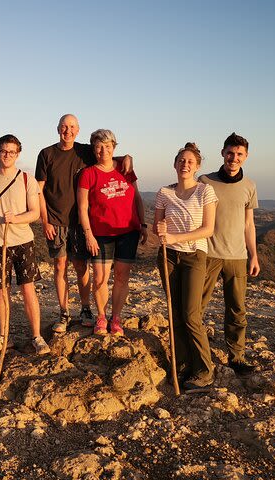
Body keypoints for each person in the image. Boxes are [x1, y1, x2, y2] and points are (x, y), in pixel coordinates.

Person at [35, 114, 135, 333]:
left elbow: (106, 156)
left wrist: (127, 156)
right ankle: (63, 313)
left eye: (71, 127)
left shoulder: (84, 151)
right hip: (55, 220)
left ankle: (86, 309)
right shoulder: (46, 154)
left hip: (81, 222)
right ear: (58, 128)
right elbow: (38, 190)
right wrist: (45, 221)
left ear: (78, 130)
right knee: (60, 266)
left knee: (81, 267)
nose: (67, 130)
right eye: (64, 126)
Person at [154, 142, 218, 390]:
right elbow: (157, 227)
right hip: (168, 256)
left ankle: (205, 370)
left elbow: (208, 229)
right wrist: (159, 230)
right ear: (175, 164)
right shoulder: (163, 192)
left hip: (194, 256)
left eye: (190, 161)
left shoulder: (205, 191)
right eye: (181, 160)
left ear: (197, 166)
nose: (185, 164)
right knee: (175, 314)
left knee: (191, 315)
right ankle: (181, 365)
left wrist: (175, 237)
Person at [0, 134, 50, 356]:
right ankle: (3, 337)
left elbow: (35, 212)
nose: (7, 155)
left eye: (12, 151)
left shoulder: (27, 179)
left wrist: (15, 218)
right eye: (3, 150)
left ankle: (37, 336)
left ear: (18, 154)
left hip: (22, 242)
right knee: (2, 291)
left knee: (28, 289)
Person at [199, 132, 260, 375]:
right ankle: (195, 354)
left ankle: (236, 357)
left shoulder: (249, 186)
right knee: (196, 308)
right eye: (230, 153)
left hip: (237, 257)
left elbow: (249, 224)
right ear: (222, 153)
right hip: (209, 254)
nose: (234, 158)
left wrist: (254, 255)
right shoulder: (205, 181)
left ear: (245, 157)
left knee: (236, 309)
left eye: (239, 155)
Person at [77, 129, 147, 336]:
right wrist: (88, 234)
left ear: (114, 147)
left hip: (128, 231)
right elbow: (82, 207)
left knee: (121, 277)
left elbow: (137, 198)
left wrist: (143, 224)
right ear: (93, 149)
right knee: (99, 277)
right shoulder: (88, 174)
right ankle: (101, 316)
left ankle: (115, 318)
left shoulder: (125, 169)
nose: (103, 150)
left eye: (107, 146)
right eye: (98, 146)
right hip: (100, 232)